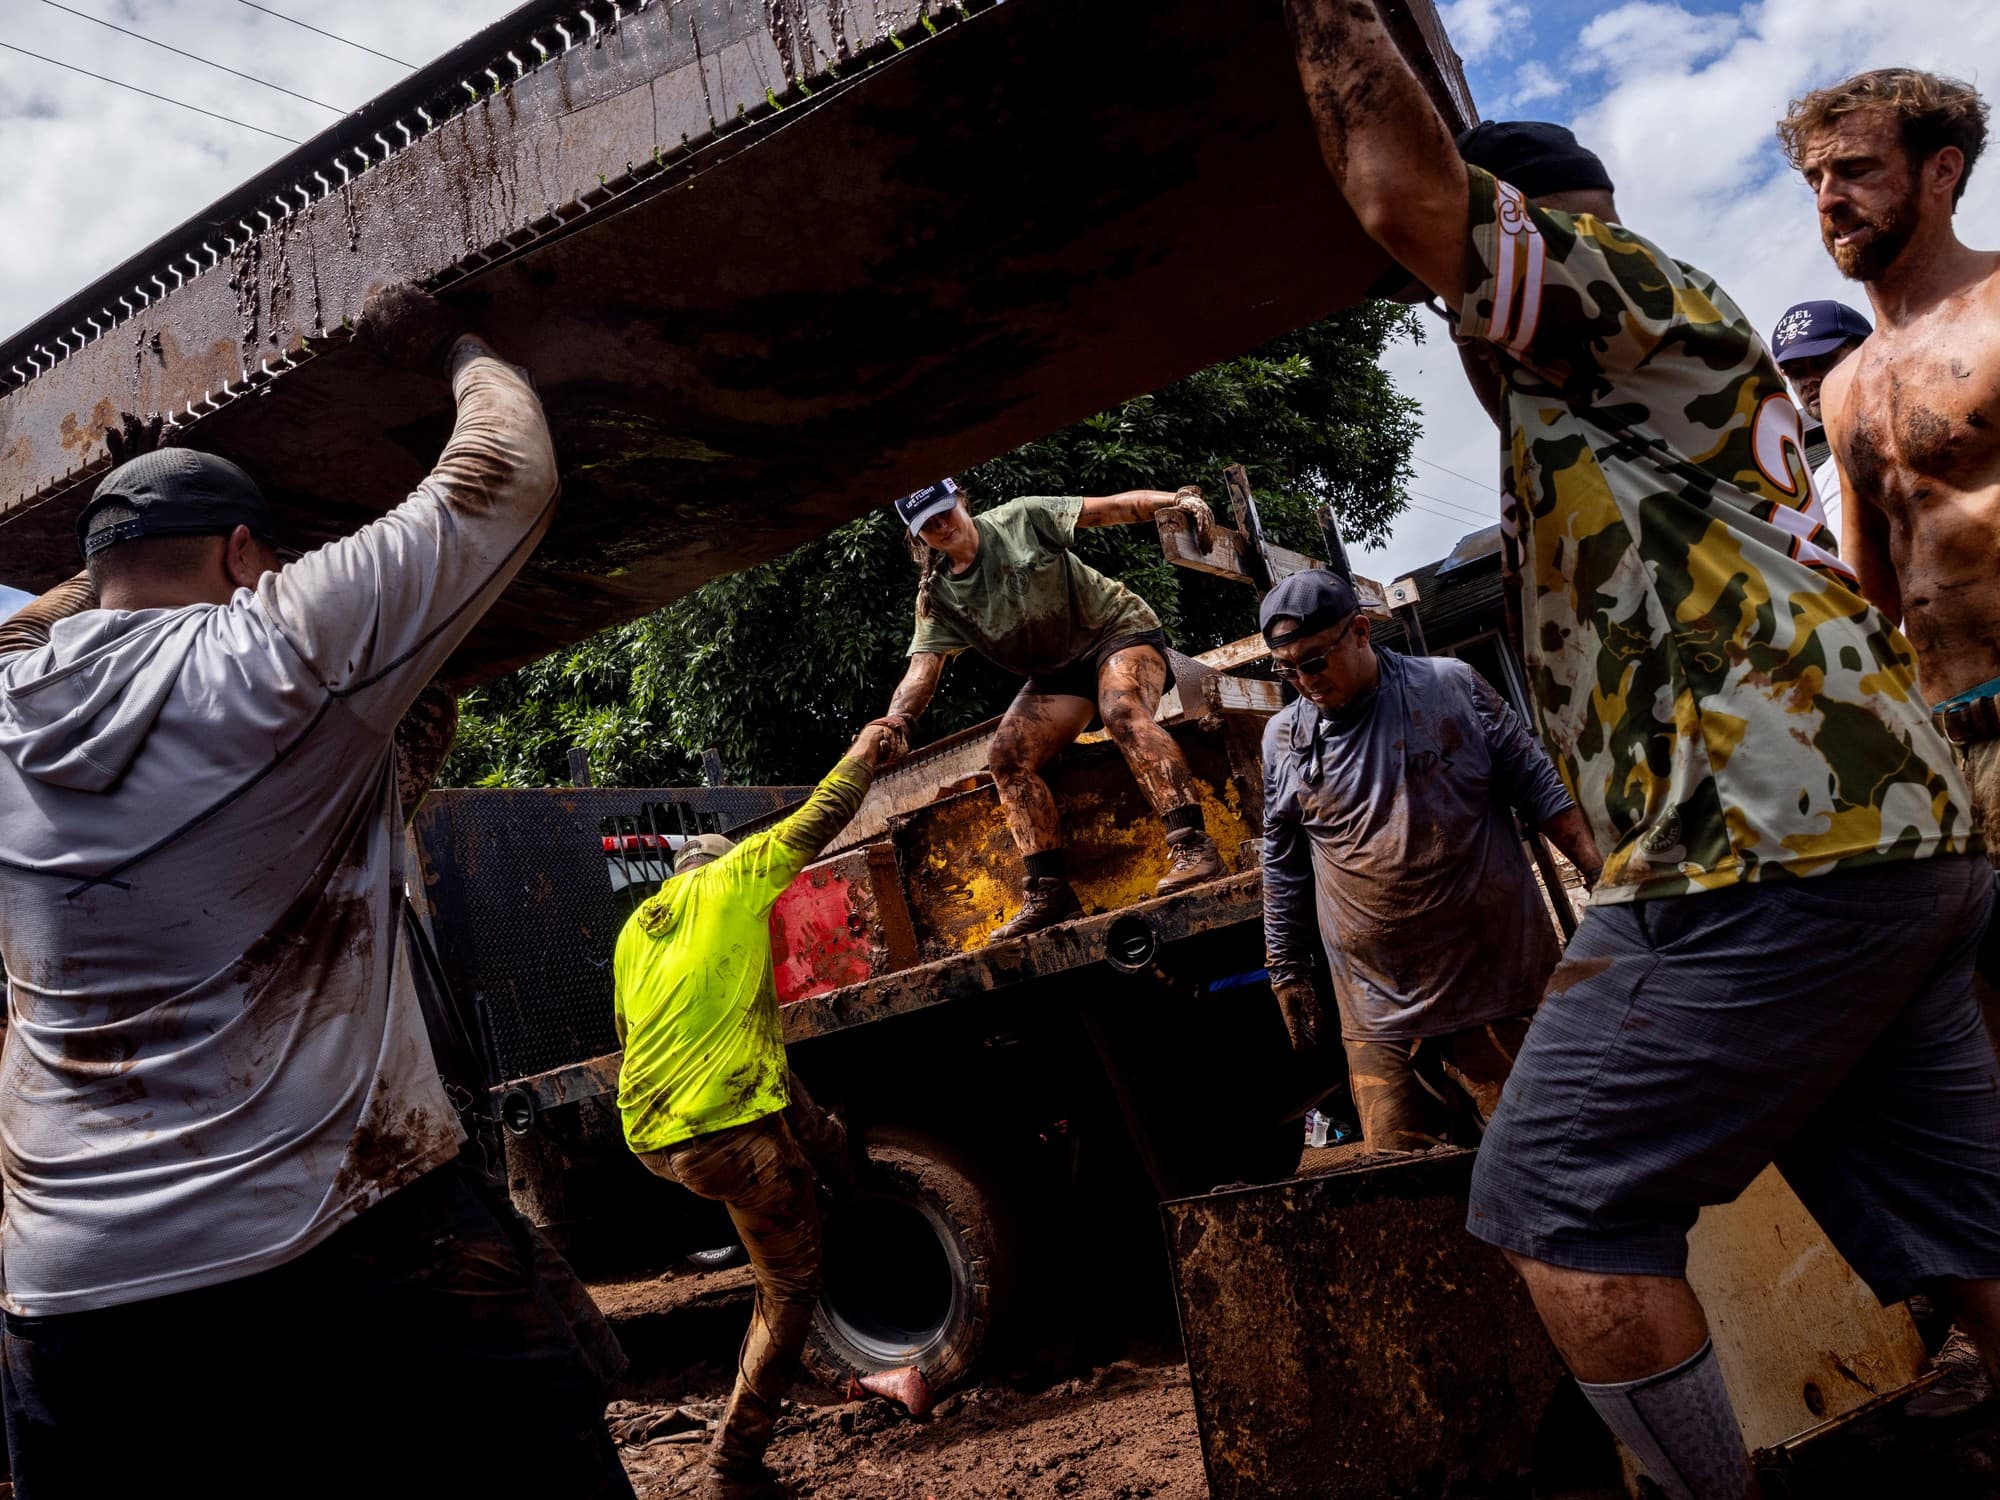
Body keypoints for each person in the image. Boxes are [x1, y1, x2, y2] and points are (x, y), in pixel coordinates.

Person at [1282, 5, 2000, 1496]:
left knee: (1554, 1196)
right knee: (1962, 1223)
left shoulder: (1606, 288)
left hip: (1768, 844)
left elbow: (1401, 196)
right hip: (1884, 832)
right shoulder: (1613, 394)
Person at [0, 285, 635, 1497]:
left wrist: (122, 527)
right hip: (340, 1242)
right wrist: (451, 342)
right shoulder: (273, 651)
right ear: (246, 557)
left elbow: (29, 631)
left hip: (74, 1307)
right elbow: (503, 472)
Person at [613, 721, 900, 1499]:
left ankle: (834, 1177)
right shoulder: (734, 881)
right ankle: (734, 1464)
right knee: (788, 1288)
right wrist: (867, 750)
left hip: (653, 1133)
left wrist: (832, 1154)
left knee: (764, 1118)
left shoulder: (636, 930)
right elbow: (820, 815)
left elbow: (639, 1040)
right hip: (723, 1134)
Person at [1258, 571, 1599, 1152]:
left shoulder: (1449, 688)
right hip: (1377, 1011)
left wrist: (1597, 873)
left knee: (1549, 1158)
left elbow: (1537, 786)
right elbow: (1283, 862)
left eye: (1313, 662)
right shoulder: (1283, 740)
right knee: (1405, 1182)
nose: (1304, 682)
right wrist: (1285, 970)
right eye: (1286, 670)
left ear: (1360, 631)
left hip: (1495, 988)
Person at [1780, 73, 2000, 825]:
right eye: (1815, 179)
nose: (1828, 200)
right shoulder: (1846, 386)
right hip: (1948, 747)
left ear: (1942, 170)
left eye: (1856, 170)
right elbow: (1870, 592)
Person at [877, 478, 1226, 941]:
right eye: (928, 524)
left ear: (961, 500)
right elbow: (922, 671)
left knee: (1121, 710)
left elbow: (1109, 507)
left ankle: (1194, 846)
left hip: (1118, 633)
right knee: (1007, 759)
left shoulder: (1022, 517)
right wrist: (896, 722)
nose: (942, 526)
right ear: (917, 536)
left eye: (945, 512)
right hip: (1058, 676)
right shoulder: (939, 596)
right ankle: (1047, 891)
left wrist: (1176, 500)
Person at [1770, 298, 1874, 535]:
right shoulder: (1821, 485)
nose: (1808, 380)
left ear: (1869, 350)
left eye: (1821, 361)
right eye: (1796, 373)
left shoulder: (1930, 440)